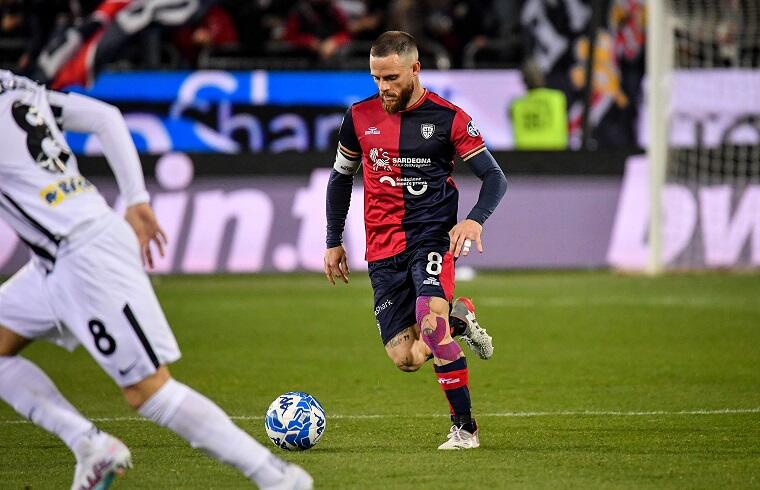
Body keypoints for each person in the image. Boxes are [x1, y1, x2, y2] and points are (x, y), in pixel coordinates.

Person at [0, 70, 312, 490]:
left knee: (148, 392)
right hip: (55, 255)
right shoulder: (15, 86)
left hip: (83, 253)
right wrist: (136, 199)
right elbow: (105, 117)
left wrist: (138, 200)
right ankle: (88, 444)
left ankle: (277, 478)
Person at [323, 31, 507, 449]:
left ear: (415, 69)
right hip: (383, 249)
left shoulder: (448, 118)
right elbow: (340, 178)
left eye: (391, 77)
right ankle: (461, 320)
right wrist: (333, 239)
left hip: (431, 239)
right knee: (405, 358)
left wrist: (475, 221)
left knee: (431, 324)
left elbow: (495, 178)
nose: (383, 87)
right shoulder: (358, 117)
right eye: (376, 78)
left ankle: (465, 429)